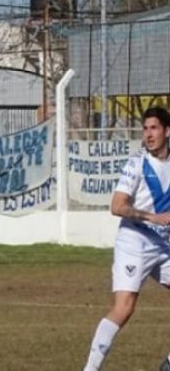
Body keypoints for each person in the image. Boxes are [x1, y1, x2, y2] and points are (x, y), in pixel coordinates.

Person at [82, 106, 170, 371]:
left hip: (163, 245)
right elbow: (117, 206)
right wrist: (152, 217)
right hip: (135, 240)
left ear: (167, 131)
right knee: (124, 308)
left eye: (154, 128)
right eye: (145, 129)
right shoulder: (137, 164)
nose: (148, 134)